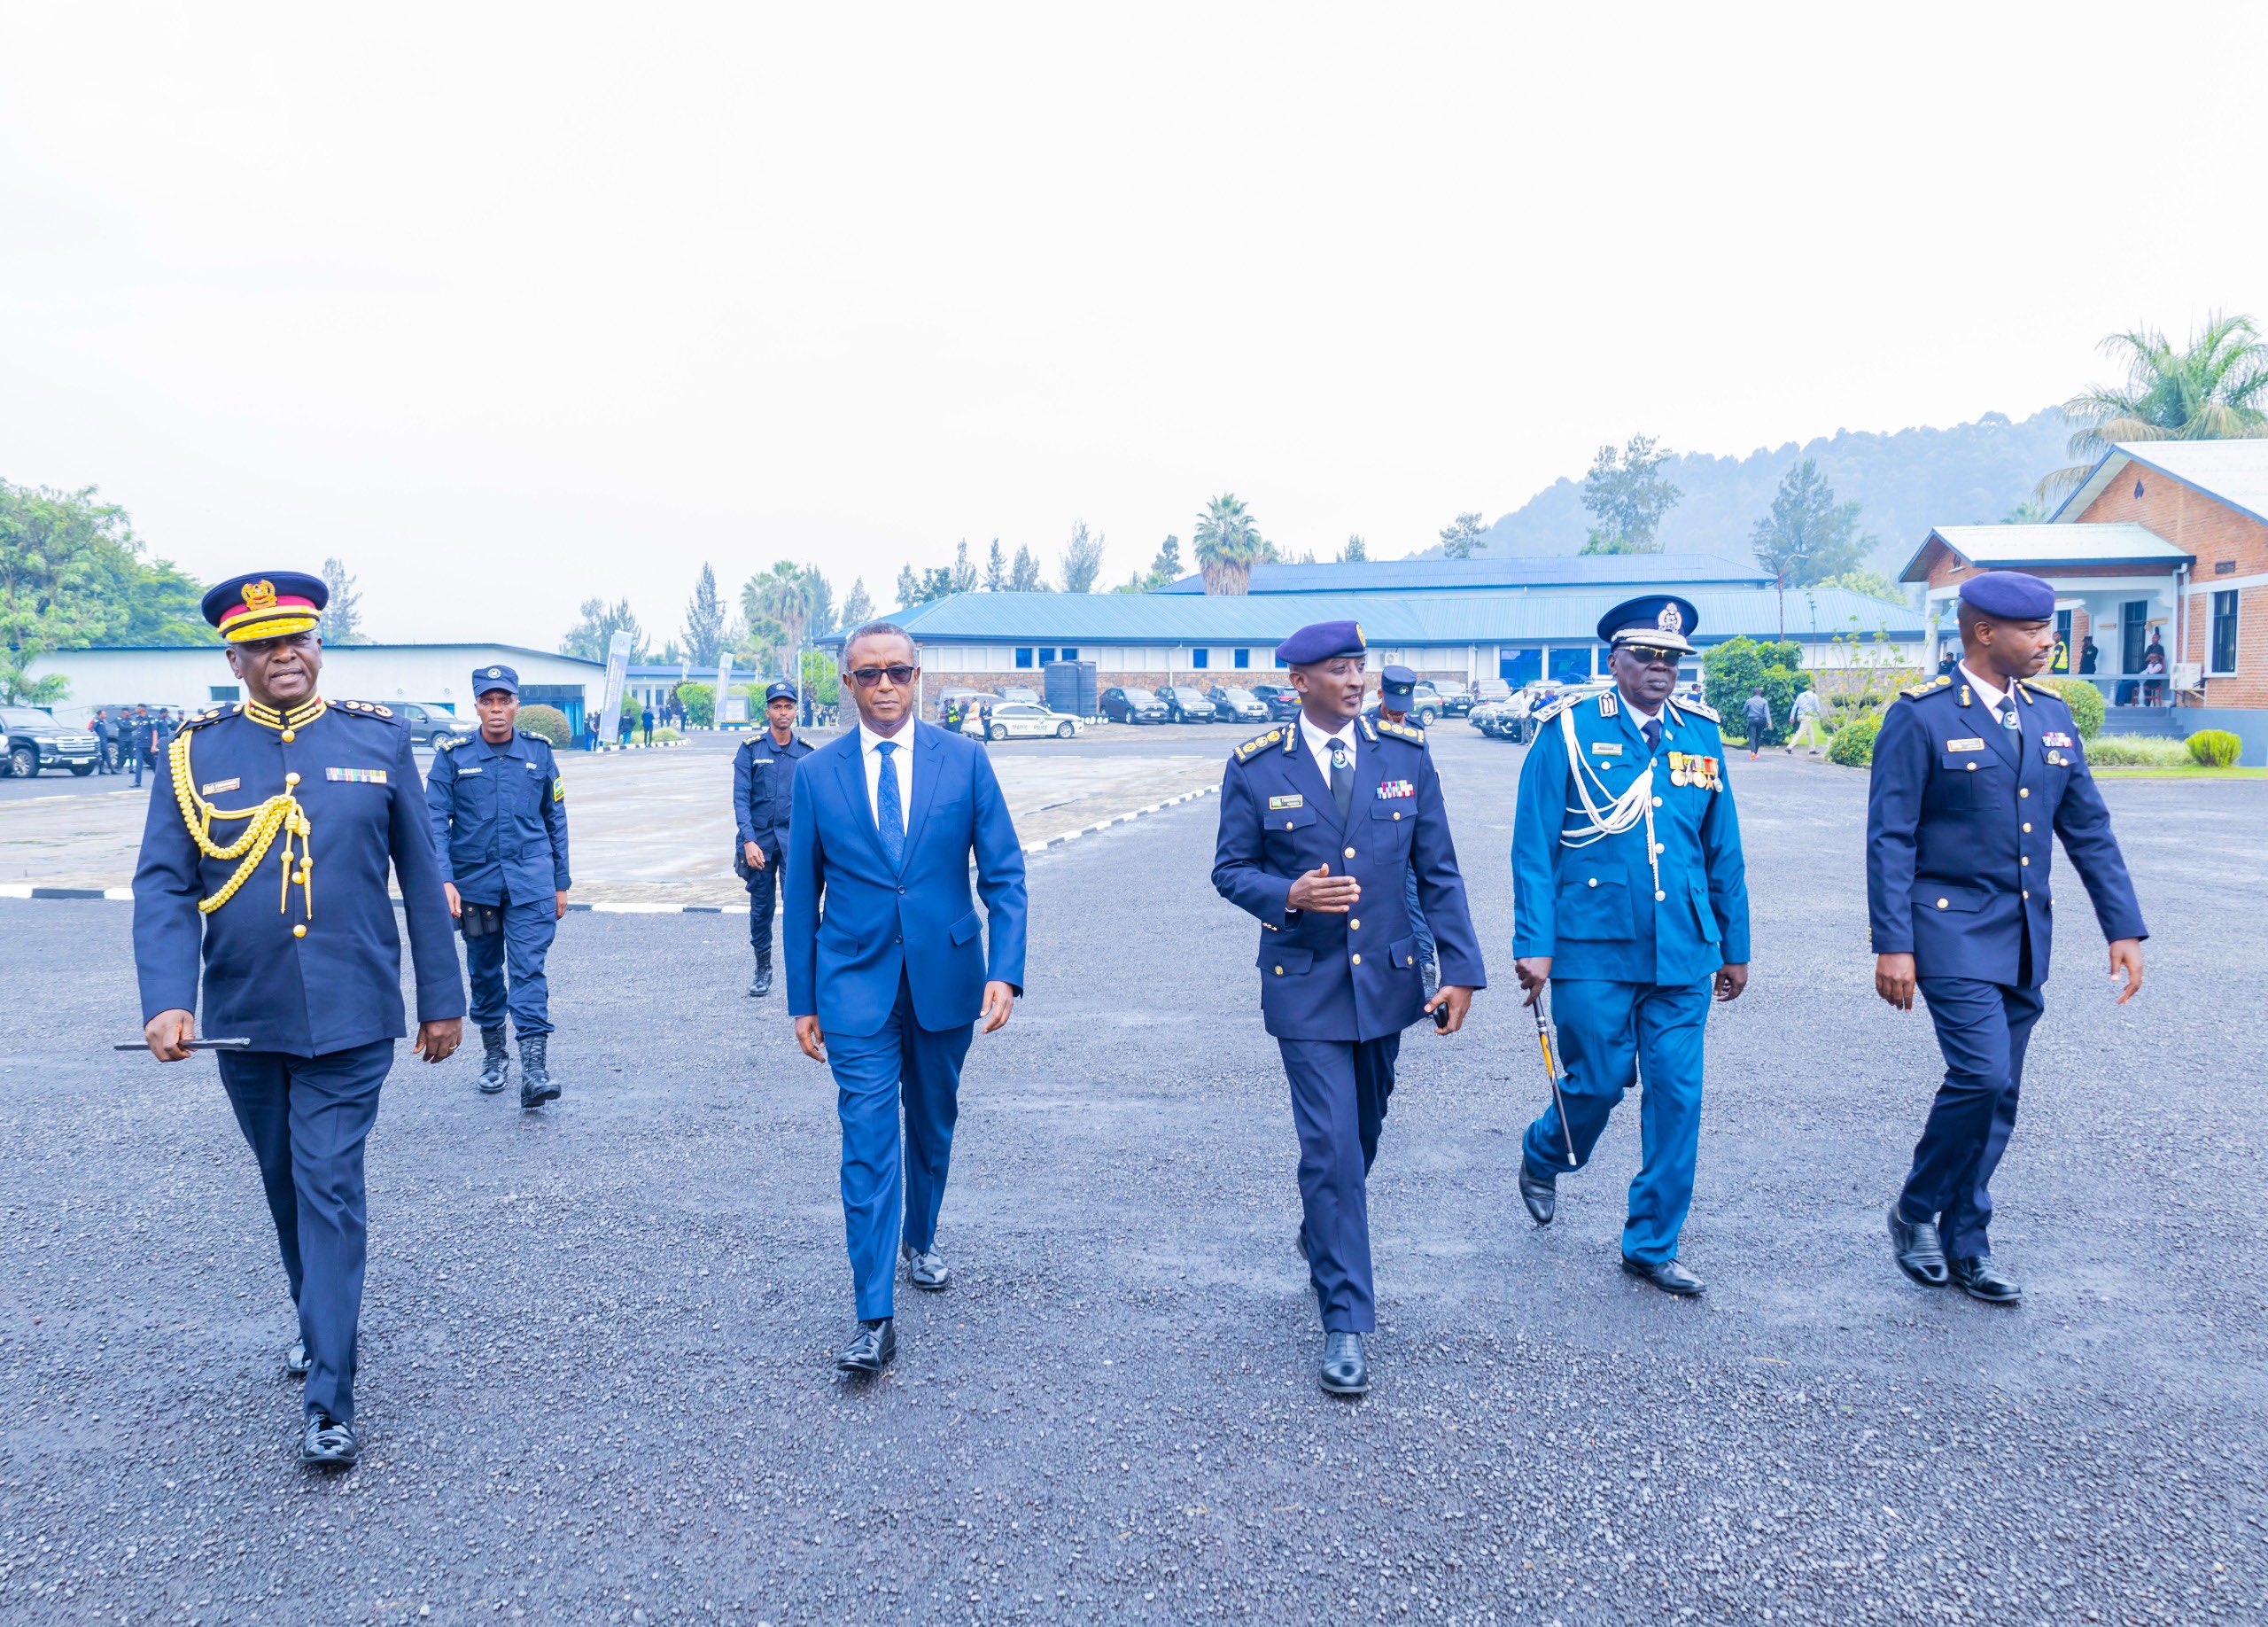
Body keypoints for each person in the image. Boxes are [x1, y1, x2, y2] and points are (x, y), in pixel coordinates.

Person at [132, 571, 462, 1468]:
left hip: (354, 1015)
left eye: (300, 640)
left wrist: (442, 999)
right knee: (284, 1185)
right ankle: (315, 1320)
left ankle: (330, 1395)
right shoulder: (193, 756)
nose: (287, 656)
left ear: (319, 648)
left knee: (328, 1184)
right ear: (234, 659)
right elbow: (164, 882)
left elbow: (421, 880)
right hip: (245, 1015)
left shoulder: (379, 740)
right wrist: (168, 998)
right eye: (266, 645)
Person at [1213, 622, 1483, 1396]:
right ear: (1299, 681)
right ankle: (1346, 1322)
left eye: (1360, 665)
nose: (1356, 679)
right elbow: (1230, 870)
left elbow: (1439, 871)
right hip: (1305, 987)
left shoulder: (1405, 754)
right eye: (1339, 668)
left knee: (1360, 1136)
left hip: (1389, 988)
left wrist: (1459, 969)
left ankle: (1321, 1232)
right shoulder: (1258, 767)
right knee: (1331, 1148)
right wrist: (1287, 894)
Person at [1869, 571, 2145, 1305]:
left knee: (2003, 1094)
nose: (2049, 641)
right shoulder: (1922, 718)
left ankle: (1968, 1242)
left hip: (2023, 935)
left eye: (2050, 628)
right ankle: (1915, 1208)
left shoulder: (2052, 719)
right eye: (2032, 631)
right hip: (1947, 928)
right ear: (1983, 633)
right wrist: (1893, 944)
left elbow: (2088, 828)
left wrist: (2122, 925)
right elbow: (1890, 839)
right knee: (1983, 1075)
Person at [785, 622, 1028, 1374]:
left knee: (930, 1126)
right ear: (847, 685)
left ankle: (920, 1236)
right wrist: (802, 999)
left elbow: (1005, 874)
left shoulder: (965, 761)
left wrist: (1006, 969)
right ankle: (872, 1314)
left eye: (897, 672)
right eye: (867, 675)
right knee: (866, 1140)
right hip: (853, 985)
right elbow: (800, 897)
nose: (884, 685)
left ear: (917, 677)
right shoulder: (817, 775)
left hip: (947, 980)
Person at [1510, 596, 1751, 1296]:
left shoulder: (1701, 735)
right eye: (1645, 655)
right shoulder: (1569, 731)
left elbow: (1721, 848)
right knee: (1598, 1082)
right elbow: (1533, 846)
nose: (1660, 668)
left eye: (1672, 658)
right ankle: (1545, 1149)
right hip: (1592, 947)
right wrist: (1535, 942)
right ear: (1612, 660)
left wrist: (1735, 944)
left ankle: (1651, 1243)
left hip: (1682, 948)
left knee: (1678, 1096)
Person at [425, 665, 572, 1108]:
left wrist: (561, 882)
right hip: (477, 888)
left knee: (528, 969)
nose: (496, 709)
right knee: (485, 972)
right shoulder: (453, 757)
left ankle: (534, 1069)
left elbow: (555, 819)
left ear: (516, 705)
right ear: (476, 706)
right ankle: (494, 1056)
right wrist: (444, 879)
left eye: (504, 700)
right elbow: (434, 823)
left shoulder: (539, 753)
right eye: (487, 701)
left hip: (531, 883)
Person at [734, 681, 815, 996]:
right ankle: (763, 968)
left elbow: (815, 803)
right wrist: (748, 841)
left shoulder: (807, 754)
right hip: (760, 845)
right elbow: (741, 799)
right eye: (777, 706)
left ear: (796, 711)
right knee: (761, 909)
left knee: (799, 908)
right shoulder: (751, 749)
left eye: (789, 706)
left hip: (795, 844)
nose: (783, 712)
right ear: (768, 711)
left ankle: (803, 971)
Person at [1363, 664, 1440, 996]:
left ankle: (1425, 968)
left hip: (1409, 827)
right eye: (1393, 709)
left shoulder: (1416, 730)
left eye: (1403, 711)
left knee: (1414, 898)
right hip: (1373, 830)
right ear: (1380, 694)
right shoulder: (1359, 727)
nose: (1399, 718)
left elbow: (1424, 780)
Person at [1786, 686, 1824, 754]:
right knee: (1801, 732)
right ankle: (1789, 747)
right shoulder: (1814, 696)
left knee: (1810, 733)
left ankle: (1812, 750)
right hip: (1807, 716)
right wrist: (1821, 717)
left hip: (1800, 716)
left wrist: (1792, 717)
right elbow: (1817, 708)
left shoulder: (1801, 695)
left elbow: (1795, 706)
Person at [128, 704, 154, 788]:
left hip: (148, 745)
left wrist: (154, 745)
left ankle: (162, 778)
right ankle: (137, 782)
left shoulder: (150, 718)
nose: (135, 709)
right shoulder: (137, 719)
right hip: (139, 745)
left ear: (142, 709)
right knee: (138, 763)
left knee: (153, 763)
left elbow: (154, 732)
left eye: (137, 708)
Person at [1742, 688, 1772, 760]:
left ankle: (1753, 753)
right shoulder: (1764, 701)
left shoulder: (1749, 701)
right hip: (1761, 720)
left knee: (1752, 737)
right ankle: (1755, 753)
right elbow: (1767, 712)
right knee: (1758, 737)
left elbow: (1744, 710)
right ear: (1760, 693)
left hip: (1752, 720)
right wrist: (1769, 722)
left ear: (1753, 693)